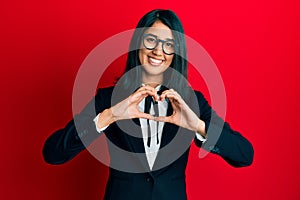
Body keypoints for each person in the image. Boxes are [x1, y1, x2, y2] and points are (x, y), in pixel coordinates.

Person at [43, 9, 254, 200]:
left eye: (168, 45)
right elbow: (53, 153)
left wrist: (199, 126)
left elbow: (245, 155)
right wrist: (109, 116)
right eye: (150, 40)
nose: (158, 52)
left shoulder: (191, 102)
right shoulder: (110, 99)